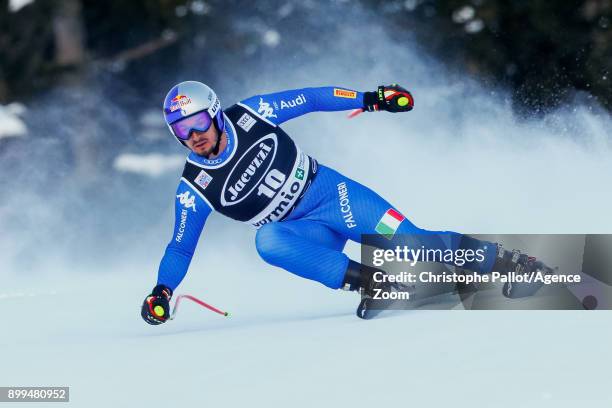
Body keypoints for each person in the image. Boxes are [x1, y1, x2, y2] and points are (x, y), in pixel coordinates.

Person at [141, 81, 550, 323]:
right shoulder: (193, 187)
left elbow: (313, 97)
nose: (192, 135)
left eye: (197, 123)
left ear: (214, 114)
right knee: (267, 241)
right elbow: (180, 246)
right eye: (180, 130)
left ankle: (513, 263)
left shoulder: (253, 114)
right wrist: (161, 290)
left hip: (333, 195)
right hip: (307, 232)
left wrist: (371, 98)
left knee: (411, 242)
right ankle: (374, 284)